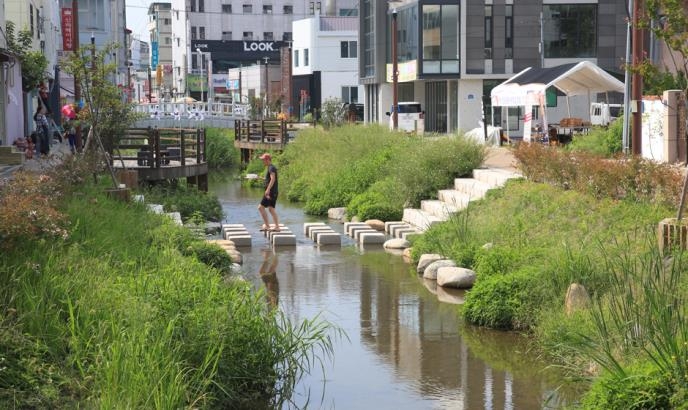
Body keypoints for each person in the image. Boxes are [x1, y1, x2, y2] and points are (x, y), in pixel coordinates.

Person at [258, 152, 280, 232]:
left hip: (270, 192)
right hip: (273, 192)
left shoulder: (271, 168)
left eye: (263, 160)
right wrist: (262, 179)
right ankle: (277, 227)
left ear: (267, 160)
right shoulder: (271, 167)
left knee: (260, 207)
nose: (262, 161)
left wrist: (267, 189)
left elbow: (273, 179)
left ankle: (268, 226)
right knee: (271, 209)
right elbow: (270, 179)